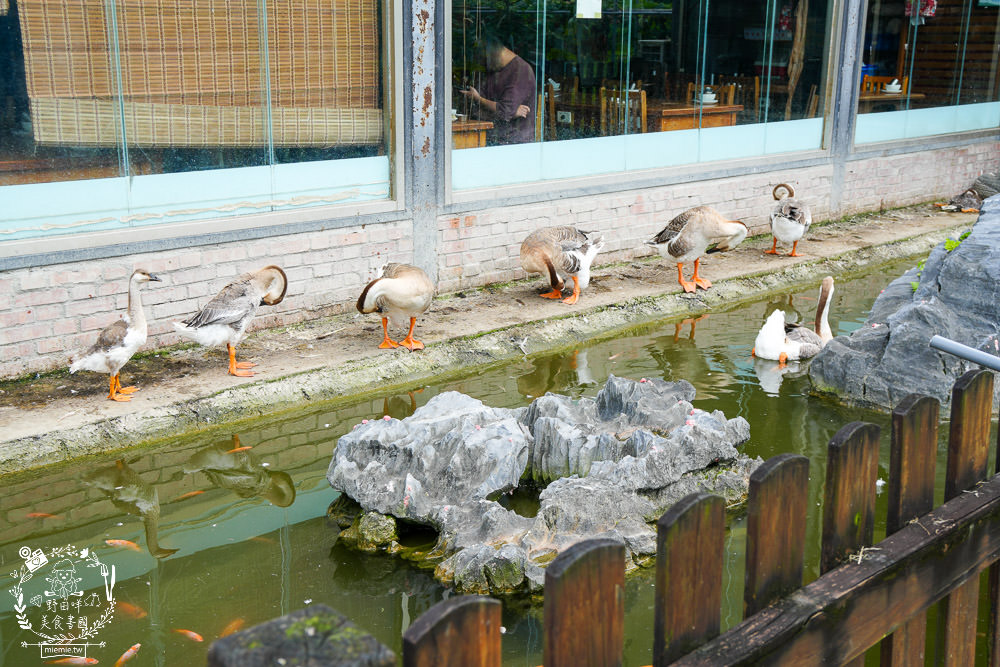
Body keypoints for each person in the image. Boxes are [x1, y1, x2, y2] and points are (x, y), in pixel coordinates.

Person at [460, 34, 536, 145]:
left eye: (484, 60)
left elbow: (504, 111)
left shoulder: (521, 71)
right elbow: (474, 109)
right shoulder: (493, 69)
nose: (483, 65)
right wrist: (508, 112)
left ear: (493, 55)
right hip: (489, 135)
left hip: (512, 140)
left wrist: (478, 99)